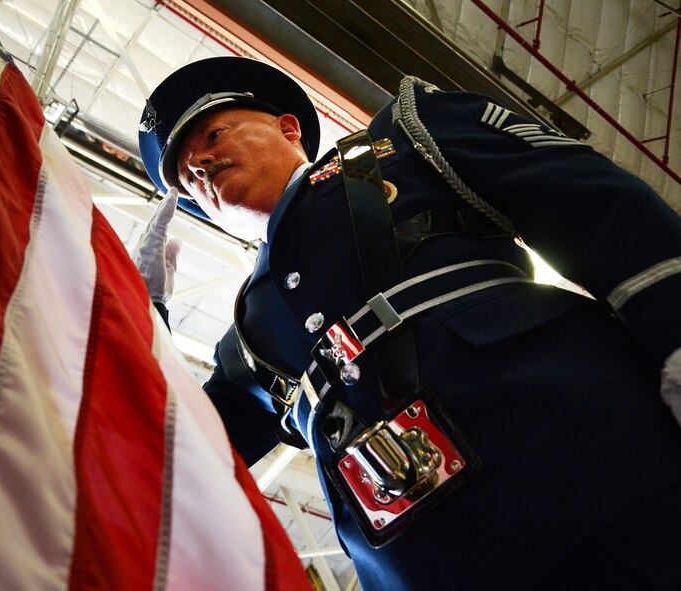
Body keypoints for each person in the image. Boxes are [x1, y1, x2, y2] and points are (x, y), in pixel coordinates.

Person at [134, 56, 681, 590]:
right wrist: (140, 319)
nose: (200, 164)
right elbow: (170, 457)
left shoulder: (405, 140)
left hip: (588, 471)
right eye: (186, 171)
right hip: (428, 565)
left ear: (287, 126)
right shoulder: (248, 339)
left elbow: (593, 202)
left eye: (212, 135)